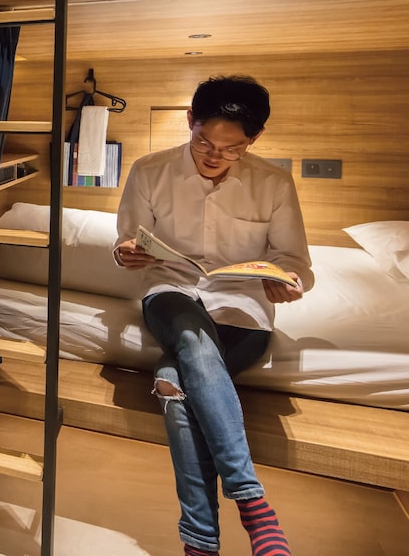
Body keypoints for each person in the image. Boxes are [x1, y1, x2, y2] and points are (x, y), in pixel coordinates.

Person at [114, 75, 312, 556]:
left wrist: (287, 282)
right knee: (192, 338)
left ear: (254, 139)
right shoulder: (149, 170)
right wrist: (125, 253)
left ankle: (200, 542)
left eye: (232, 149)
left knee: (174, 382)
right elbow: (125, 241)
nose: (214, 155)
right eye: (204, 141)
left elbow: (295, 262)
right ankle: (252, 503)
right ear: (190, 121)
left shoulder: (274, 183)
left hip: (243, 308)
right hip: (171, 293)